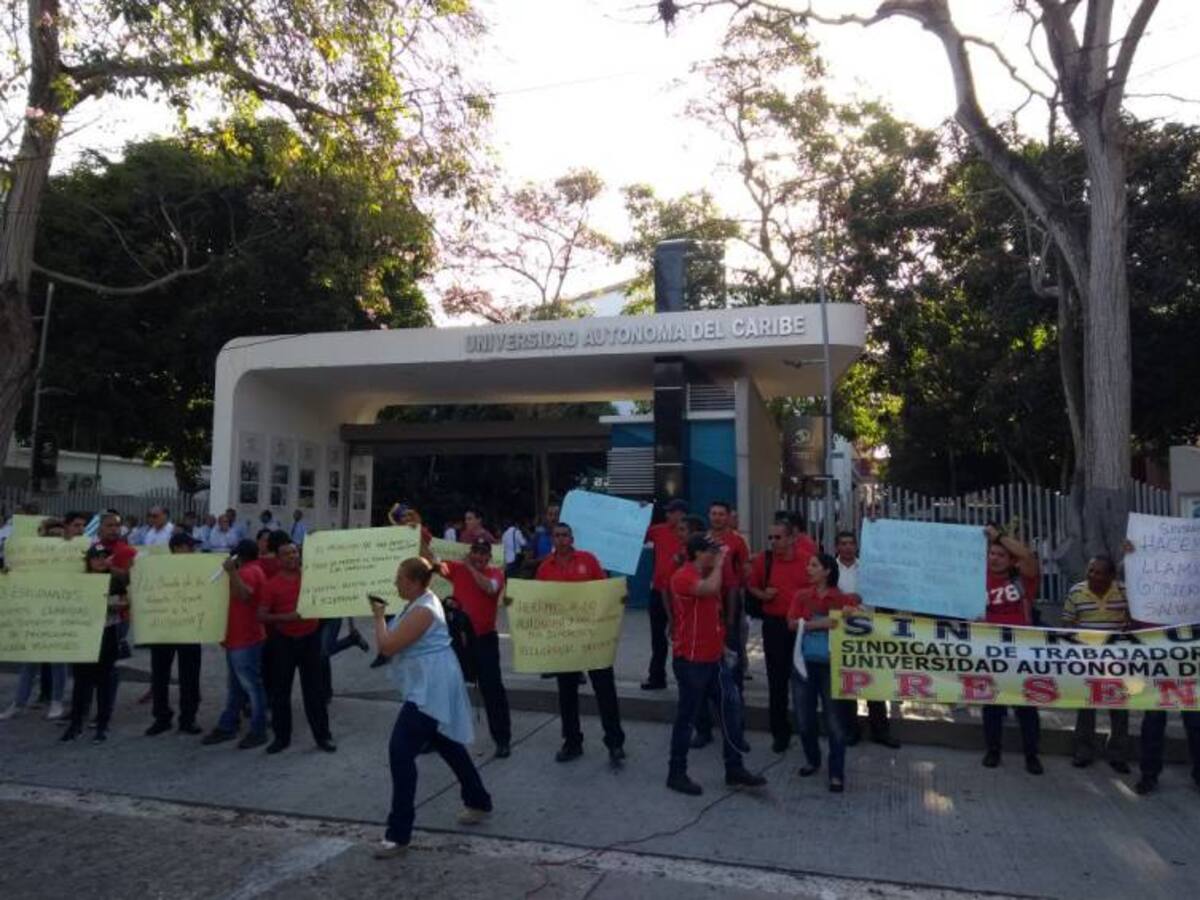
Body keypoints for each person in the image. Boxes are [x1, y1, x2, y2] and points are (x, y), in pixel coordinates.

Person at [371, 557, 492, 859]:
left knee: (400, 751)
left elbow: (387, 647)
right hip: (429, 683)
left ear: (412, 582)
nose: (395, 583)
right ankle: (478, 800)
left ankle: (398, 833)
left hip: (431, 689)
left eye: (399, 578)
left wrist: (378, 616)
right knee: (447, 742)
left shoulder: (424, 609)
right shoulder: (418, 603)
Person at [667, 534, 767, 795]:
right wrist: (722, 563)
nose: (716, 556)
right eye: (711, 552)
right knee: (686, 719)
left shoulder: (707, 577)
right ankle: (676, 773)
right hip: (691, 661)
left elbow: (713, 616)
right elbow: (709, 590)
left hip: (713, 660)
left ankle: (734, 769)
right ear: (698, 553)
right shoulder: (684, 576)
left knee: (731, 709)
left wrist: (722, 646)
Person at [536, 522, 626, 765]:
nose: (562, 539)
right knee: (567, 693)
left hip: (593, 636)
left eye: (565, 535)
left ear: (572, 538)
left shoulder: (589, 560)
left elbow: (604, 591)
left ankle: (615, 742)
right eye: (557, 535)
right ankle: (572, 742)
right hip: (565, 639)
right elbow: (540, 602)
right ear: (552, 539)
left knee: (605, 690)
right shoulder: (545, 568)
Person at [1122, 538, 1200, 794]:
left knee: (1195, 722)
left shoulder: (1192, 588)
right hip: (1154, 662)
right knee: (1153, 721)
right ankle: (1149, 774)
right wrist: (1130, 559)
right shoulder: (1143, 588)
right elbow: (1129, 588)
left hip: (1189, 663)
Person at [747, 514, 817, 753]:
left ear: (792, 538)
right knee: (776, 681)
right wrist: (762, 595)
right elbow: (752, 586)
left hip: (800, 628)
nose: (773, 541)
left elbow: (817, 590)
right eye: (771, 537)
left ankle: (808, 728)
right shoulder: (763, 561)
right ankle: (780, 732)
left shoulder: (808, 561)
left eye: (778, 537)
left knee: (804, 679)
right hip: (774, 626)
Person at [788, 552, 858, 792]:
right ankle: (812, 759)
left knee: (835, 723)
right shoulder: (801, 596)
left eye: (814, 565)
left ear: (827, 571)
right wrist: (821, 624)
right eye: (808, 564)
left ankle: (836, 773)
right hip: (803, 665)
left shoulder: (840, 598)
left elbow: (857, 619)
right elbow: (790, 623)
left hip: (831, 667)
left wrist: (849, 613)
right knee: (804, 719)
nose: (808, 568)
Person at [436, 538, 512, 758]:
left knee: (492, 690)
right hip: (459, 640)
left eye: (483, 554)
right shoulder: (457, 569)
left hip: (485, 640)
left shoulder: (496, 573)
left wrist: (469, 567)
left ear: (489, 556)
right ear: (470, 553)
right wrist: (416, 532)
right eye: (475, 552)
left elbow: (489, 588)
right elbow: (434, 562)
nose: (478, 557)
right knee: (447, 686)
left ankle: (502, 739)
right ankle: (437, 736)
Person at [259, 540, 336, 754]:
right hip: (283, 641)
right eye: (286, 554)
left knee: (315, 692)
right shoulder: (271, 585)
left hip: (311, 639)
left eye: (295, 552)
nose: (292, 557)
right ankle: (281, 738)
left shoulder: (312, 578)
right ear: (278, 559)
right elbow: (261, 615)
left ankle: (323, 737)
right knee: (280, 693)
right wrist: (287, 617)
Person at [981, 524, 1043, 774]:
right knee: (992, 704)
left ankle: (1031, 755)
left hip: (1021, 651)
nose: (994, 558)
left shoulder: (1022, 578)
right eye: (992, 553)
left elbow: (1028, 556)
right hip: (988, 649)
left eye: (1001, 554)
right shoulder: (977, 575)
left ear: (1011, 559)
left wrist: (1000, 537)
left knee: (1026, 706)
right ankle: (993, 750)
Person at [1061, 555, 1131, 772]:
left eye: (1099, 572)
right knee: (1086, 707)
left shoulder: (1124, 591)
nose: (1093, 575)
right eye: (1090, 570)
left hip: (1118, 660)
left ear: (1112, 576)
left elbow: (1133, 620)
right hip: (1087, 660)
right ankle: (1083, 752)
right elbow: (1067, 624)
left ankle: (1117, 754)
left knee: (1119, 708)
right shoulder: (1076, 592)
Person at [834, 530, 901, 749]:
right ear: (837, 546)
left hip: (870, 628)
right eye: (842, 543)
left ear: (856, 546)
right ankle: (851, 730)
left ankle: (880, 731)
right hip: (841, 632)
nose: (847, 547)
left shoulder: (869, 569)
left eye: (850, 543)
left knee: (876, 682)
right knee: (848, 683)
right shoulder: (830, 570)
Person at [692, 501, 750, 749]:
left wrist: (733, 616)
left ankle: (736, 729)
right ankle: (703, 729)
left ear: (728, 517)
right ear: (709, 515)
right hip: (704, 605)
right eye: (713, 513)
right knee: (702, 674)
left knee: (733, 672)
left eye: (721, 514)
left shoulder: (737, 542)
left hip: (729, 608)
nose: (717, 517)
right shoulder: (700, 540)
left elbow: (741, 578)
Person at [202, 539, 270, 749]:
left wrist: (232, 573)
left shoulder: (249, 572)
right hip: (239, 638)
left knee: (251, 686)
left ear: (237, 557)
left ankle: (258, 730)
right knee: (238, 687)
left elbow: (245, 595)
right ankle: (228, 724)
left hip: (244, 639)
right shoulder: (254, 570)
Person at [61, 547, 128, 743]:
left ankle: (102, 725)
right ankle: (76, 724)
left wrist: (112, 604)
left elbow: (125, 601)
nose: (100, 561)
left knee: (104, 682)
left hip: (106, 635)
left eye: (103, 557)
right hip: (83, 635)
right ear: (88, 561)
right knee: (81, 682)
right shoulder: (78, 580)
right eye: (95, 558)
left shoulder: (114, 579)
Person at [144, 532, 204, 736]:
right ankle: (162, 717)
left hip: (190, 628)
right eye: (190, 547)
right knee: (160, 675)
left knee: (190, 677)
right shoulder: (157, 567)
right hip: (163, 629)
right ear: (178, 548)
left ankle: (188, 718)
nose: (194, 551)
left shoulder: (199, 569)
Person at [642, 498, 688, 691]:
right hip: (659, 591)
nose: (667, 515)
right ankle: (657, 677)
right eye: (667, 512)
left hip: (681, 595)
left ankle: (686, 678)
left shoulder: (691, 535)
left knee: (682, 635)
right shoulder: (658, 530)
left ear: (681, 514)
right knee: (658, 637)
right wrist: (640, 514)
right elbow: (638, 534)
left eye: (671, 511)